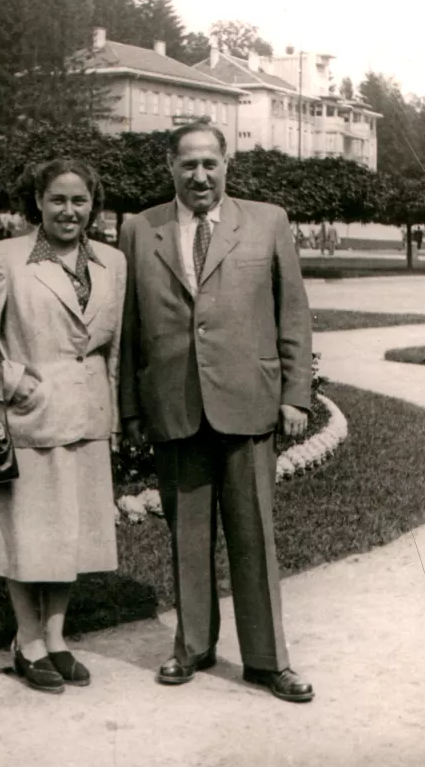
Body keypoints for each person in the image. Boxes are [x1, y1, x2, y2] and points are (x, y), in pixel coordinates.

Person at [119, 121, 314, 704]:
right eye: (188, 164)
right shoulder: (139, 229)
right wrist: (130, 409)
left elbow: (293, 313)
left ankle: (268, 660)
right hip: (174, 405)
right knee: (188, 536)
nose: (200, 176)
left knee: (254, 537)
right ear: (170, 167)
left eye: (210, 163)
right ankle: (193, 647)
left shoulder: (268, 221)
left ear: (227, 164)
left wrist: (295, 394)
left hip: (249, 402)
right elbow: (129, 327)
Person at [0, 158, 126, 694]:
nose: (69, 211)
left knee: (70, 531)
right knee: (27, 533)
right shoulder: (4, 258)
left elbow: (115, 347)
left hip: (88, 415)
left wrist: (116, 415)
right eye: (58, 200)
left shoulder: (112, 261)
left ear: (93, 205)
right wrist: (12, 379)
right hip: (31, 415)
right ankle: (27, 640)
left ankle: (56, 638)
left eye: (79, 200)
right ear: (38, 203)